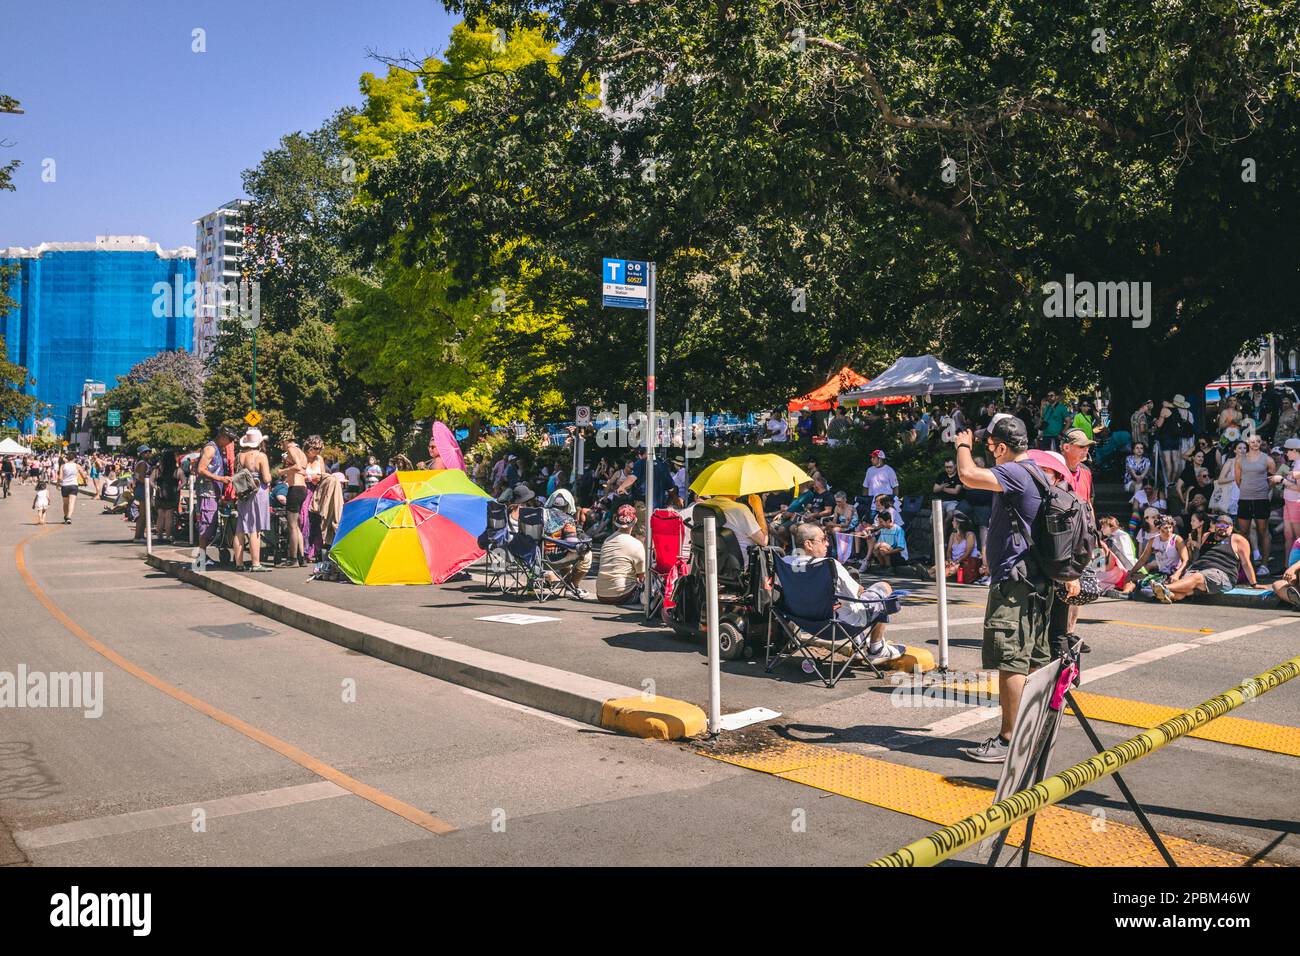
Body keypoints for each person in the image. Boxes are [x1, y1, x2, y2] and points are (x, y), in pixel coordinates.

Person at [954, 415, 1078, 763]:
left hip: (1016, 583)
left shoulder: (1015, 472)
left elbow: (968, 475)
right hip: (1037, 579)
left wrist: (962, 445)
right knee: (1036, 659)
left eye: (991, 446)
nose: (989, 451)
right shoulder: (1039, 472)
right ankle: (1032, 731)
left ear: (1004, 447)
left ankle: (1009, 740)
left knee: (1010, 659)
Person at [786, 522, 903, 664]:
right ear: (808, 544)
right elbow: (856, 595)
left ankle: (859, 646)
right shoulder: (829, 564)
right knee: (883, 589)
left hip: (803, 622)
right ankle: (876, 649)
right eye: (823, 539)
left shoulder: (784, 562)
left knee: (842, 602)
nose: (827, 544)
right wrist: (859, 588)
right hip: (837, 626)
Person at [1153, 513, 1257, 602]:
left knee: (1197, 578)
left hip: (1222, 574)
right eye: (1220, 524)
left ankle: (1164, 588)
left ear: (1232, 527)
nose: (1222, 527)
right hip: (1198, 569)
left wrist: (1254, 584)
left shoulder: (1237, 539)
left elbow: (1246, 563)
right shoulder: (1206, 536)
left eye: (1226, 525)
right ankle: (1168, 595)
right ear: (1215, 525)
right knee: (1187, 590)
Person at [1235, 433, 1276, 574]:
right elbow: (1238, 480)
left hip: (1261, 499)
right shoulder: (1240, 460)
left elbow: (1272, 479)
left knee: (1263, 531)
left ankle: (1264, 565)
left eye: (1258, 441)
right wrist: (1248, 490)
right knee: (1243, 532)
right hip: (1245, 499)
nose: (1255, 444)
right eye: (1252, 441)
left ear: (1261, 442)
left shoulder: (1268, 459)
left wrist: (1262, 489)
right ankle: (1245, 564)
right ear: (1248, 442)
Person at [233, 429, 273, 571]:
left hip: (243, 492)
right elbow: (267, 478)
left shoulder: (239, 456)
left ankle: (239, 563)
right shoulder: (261, 456)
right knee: (255, 528)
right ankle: (255, 563)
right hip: (257, 491)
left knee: (241, 527)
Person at [542, 488, 592, 597]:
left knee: (566, 553)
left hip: (536, 557)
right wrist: (582, 544)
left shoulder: (541, 514)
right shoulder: (567, 519)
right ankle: (572, 587)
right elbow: (572, 546)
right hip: (554, 558)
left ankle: (569, 585)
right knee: (587, 555)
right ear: (568, 504)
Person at [596, 505, 646, 605]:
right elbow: (642, 577)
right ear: (635, 520)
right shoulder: (636, 544)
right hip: (624, 595)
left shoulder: (607, 541)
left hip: (601, 595)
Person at [279, 434, 309, 567]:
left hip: (295, 488)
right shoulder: (301, 451)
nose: (281, 445)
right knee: (296, 526)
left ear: (286, 441)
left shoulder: (291, 449)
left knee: (291, 526)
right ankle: (301, 557)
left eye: (281, 442)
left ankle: (293, 558)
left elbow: (297, 467)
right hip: (302, 488)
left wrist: (282, 471)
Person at [58, 454, 86, 525]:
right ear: (74, 459)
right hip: (73, 485)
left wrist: (58, 484)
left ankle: (66, 516)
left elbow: (60, 478)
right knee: (72, 502)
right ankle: (69, 517)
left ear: (67, 458)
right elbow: (84, 475)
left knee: (65, 503)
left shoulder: (63, 466)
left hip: (65, 485)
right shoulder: (77, 466)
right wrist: (85, 482)